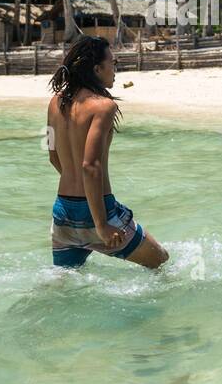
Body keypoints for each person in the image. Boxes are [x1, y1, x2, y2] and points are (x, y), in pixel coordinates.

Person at [46, 35, 169, 270]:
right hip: (97, 211)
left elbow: (52, 154)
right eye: (112, 63)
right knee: (160, 261)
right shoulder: (104, 107)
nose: (115, 69)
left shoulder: (54, 103)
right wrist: (101, 225)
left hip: (62, 212)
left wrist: (76, 185)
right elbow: (90, 166)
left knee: (67, 281)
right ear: (97, 68)